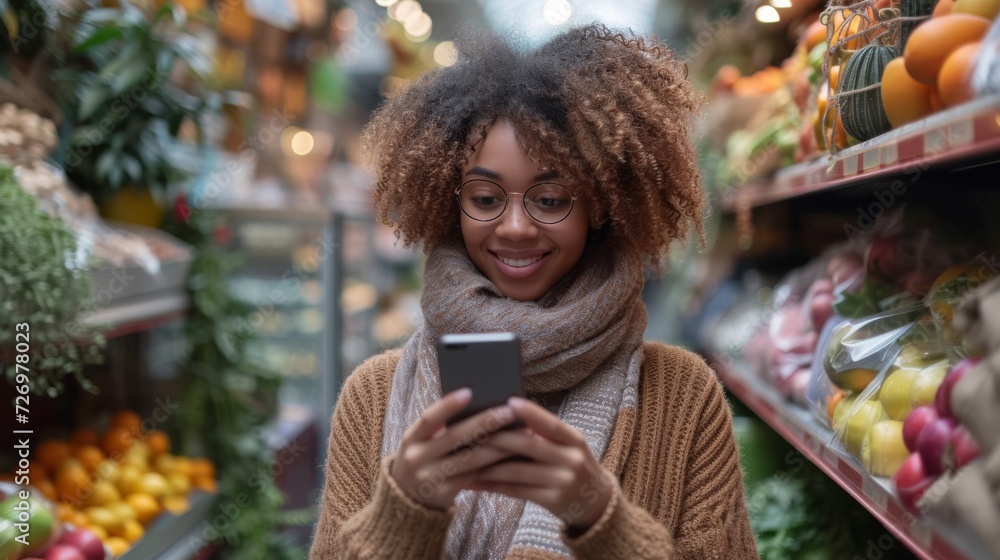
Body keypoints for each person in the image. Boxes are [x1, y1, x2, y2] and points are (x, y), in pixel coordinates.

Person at [309, 23, 758, 560]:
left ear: (600, 207)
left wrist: (599, 516)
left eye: (550, 199)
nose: (516, 227)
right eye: (484, 197)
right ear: (451, 203)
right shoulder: (373, 397)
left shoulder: (684, 397)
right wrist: (404, 508)